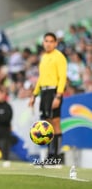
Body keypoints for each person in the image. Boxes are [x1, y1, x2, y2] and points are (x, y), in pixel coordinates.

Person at [29, 32, 67, 163]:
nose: (48, 43)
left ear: (56, 43)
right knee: (47, 124)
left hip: (54, 91)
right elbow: (41, 77)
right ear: (43, 42)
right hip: (44, 92)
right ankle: (50, 155)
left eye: (51, 41)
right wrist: (34, 94)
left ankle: (57, 155)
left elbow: (62, 77)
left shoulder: (59, 57)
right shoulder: (44, 57)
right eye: (46, 41)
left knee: (55, 122)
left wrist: (59, 95)